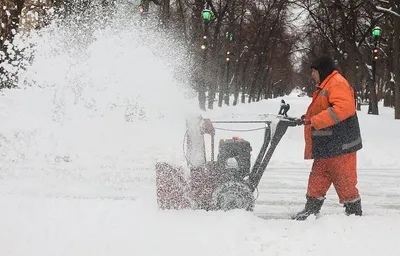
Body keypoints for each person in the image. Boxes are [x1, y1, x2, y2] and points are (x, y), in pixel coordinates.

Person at [292, 56, 363, 220]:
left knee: (344, 179)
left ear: (322, 71)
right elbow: (326, 108)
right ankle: (311, 209)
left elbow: (343, 109)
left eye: (314, 71)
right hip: (328, 143)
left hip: (341, 143)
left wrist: (315, 120)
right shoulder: (327, 84)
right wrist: (308, 118)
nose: (312, 75)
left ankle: (354, 213)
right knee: (318, 176)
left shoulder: (336, 83)